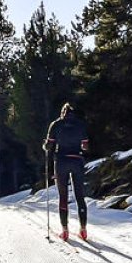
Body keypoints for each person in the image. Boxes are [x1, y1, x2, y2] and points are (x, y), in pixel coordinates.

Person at [43, 102, 90, 241]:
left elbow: (49, 145)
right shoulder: (80, 124)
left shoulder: (56, 124)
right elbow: (85, 146)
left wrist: (45, 146)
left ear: (62, 113)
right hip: (77, 160)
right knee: (80, 196)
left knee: (63, 197)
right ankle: (83, 229)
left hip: (61, 161)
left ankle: (65, 231)